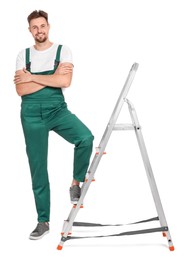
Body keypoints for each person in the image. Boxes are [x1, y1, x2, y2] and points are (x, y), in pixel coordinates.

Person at [14, 10, 94, 240]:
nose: (39, 30)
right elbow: (20, 89)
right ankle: (43, 221)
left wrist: (32, 77)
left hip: (57, 110)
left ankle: (75, 182)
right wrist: (51, 78)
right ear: (29, 30)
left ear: (48, 26)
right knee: (38, 168)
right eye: (34, 27)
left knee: (85, 138)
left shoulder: (63, 50)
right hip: (31, 114)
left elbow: (65, 81)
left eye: (43, 26)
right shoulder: (23, 54)